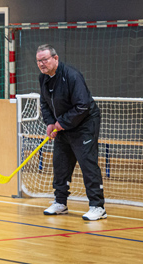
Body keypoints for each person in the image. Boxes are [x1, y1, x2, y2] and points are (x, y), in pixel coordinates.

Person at [36, 44, 107, 221]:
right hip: (63, 125)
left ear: (55, 58)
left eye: (45, 59)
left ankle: (97, 206)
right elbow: (45, 103)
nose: (42, 64)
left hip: (84, 124)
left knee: (87, 164)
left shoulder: (72, 76)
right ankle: (60, 202)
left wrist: (63, 122)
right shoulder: (43, 78)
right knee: (60, 164)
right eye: (38, 61)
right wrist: (51, 123)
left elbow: (82, 105)